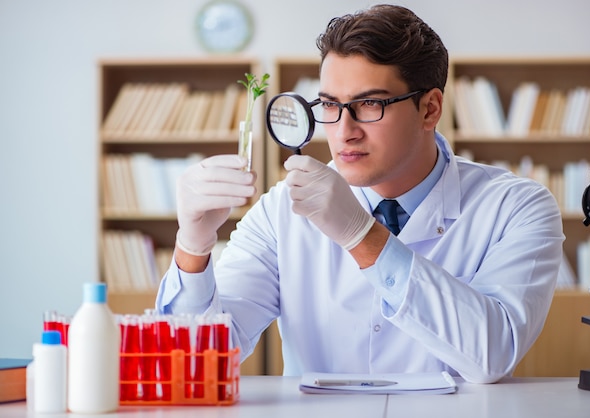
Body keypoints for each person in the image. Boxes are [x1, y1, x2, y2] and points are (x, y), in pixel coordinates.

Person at [156, 4, 564, 384]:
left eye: (370, 104)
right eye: (330, 105)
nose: (344, 130)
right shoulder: (282, 210)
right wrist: (192, 246)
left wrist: (361, 236)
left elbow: (492, 354)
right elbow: (197, 364)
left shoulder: (517, 207)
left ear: (430, 109)